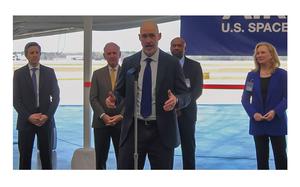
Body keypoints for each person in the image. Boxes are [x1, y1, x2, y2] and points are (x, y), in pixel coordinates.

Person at [106, 21, 190, 169]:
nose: (148, 40)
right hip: (133, 130)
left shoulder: (171, 63)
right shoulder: (129, 62)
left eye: (152, 35)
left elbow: (186, 95)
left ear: (159, 36)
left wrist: (176, 100)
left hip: (161, 132)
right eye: (144, 36)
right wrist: (114, 99)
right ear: (139, 38)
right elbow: (120, 91)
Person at [13, 42, 60, 169]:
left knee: (46, 158)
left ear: (40, 54)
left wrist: (47, 116)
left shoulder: (49, 72)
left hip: (45, 121)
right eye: (31, 53)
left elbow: (56, 97)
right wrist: (29, 116)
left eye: (37, 52)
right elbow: (16, 100)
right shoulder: (18, 74)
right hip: (26, 121)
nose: (34, 55)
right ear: (26, 55)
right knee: (24, 159)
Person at [241, 42, 287, 170]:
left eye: (263, 52)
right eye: (257, 53)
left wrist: (275, 111)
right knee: (261, 160)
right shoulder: (252, 76)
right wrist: (253, 114)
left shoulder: (282, 75)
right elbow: (245, 99)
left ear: (271, 55)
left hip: (277, 121)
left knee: (281, 158)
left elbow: (288, 97)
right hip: (258, 123)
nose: (259, 55)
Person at [90, 42, 124, 169]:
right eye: (109, 53)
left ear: (119, 54)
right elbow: (93, 98)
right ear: (104, 56)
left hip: (121, 123)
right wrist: (103, 115)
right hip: (101, 123)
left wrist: (121, 115)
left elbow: (131, 98)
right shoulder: (97, 74)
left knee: (122, 158)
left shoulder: (127, 74)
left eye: (114, 53)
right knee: (100, 160)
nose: (112, 56)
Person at [170, 37, 203, 169]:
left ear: (185, 48)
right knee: (166, 148)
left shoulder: (195, 66)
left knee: (188, 147)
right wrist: (172, 106)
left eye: (179, 45)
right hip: (167, 112)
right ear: (170, 48)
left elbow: (197, 91)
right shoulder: (164, 64)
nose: (176, 48)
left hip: (188, 113)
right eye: (174, 46)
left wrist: (180, 104)